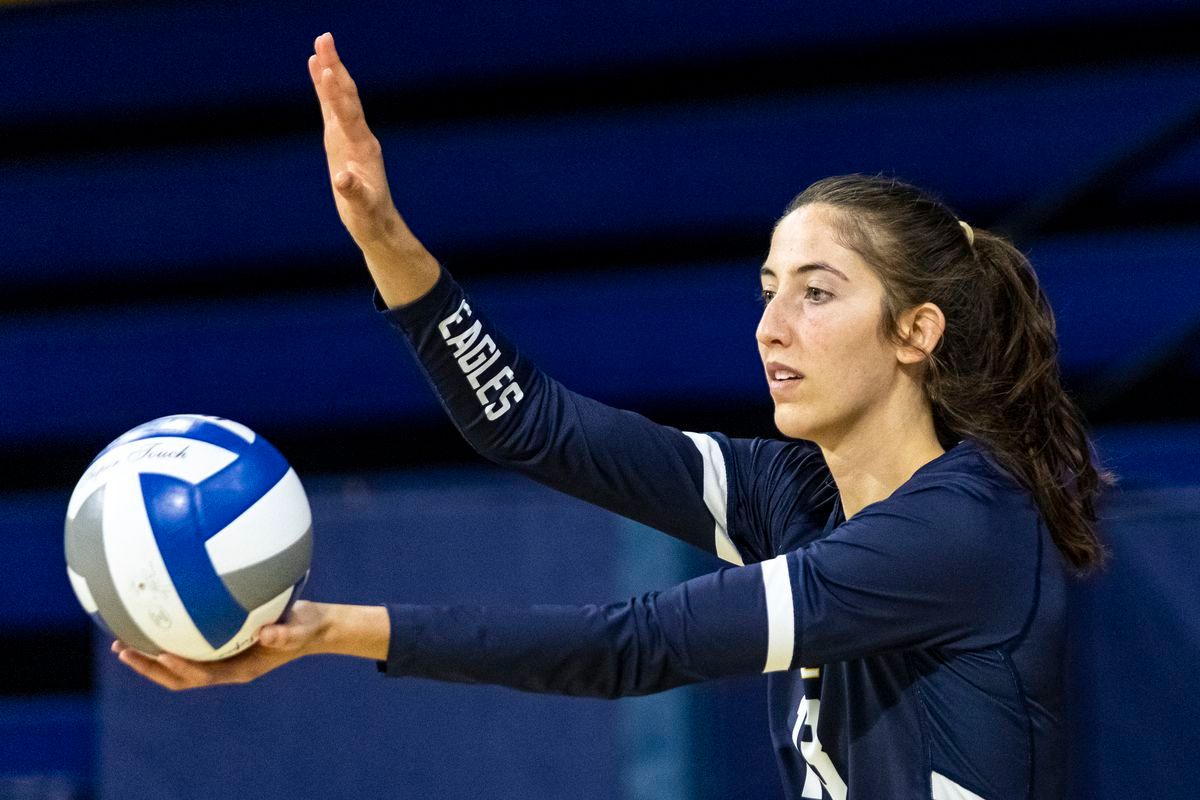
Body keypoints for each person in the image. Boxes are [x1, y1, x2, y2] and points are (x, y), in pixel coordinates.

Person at [114, 32, 1112, 800]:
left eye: (816, 291)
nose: (771, 327)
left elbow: (626, 645)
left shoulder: (961, 524)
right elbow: (530, 425)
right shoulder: (795, 488)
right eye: (765, 288)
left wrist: (330, 627)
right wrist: (385, 240)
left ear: (915, 331)